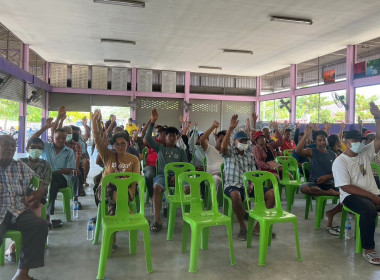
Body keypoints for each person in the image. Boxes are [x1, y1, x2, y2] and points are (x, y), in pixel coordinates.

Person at [332, 102, 380, 264]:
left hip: (373, 193)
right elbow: (346, 186)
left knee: (372, 204)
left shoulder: (364, 153)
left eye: (361, 140)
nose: (359, 142)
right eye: (355, 140)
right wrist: (372, 197)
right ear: (347, 141)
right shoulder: (340, 162)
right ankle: (368, 249)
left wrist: (377, 117)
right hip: (350, 196)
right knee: (368, 208)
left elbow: (379, 138)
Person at [0, 135, 48, 280]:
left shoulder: (19, 165)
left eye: (12, 146)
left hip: (18, 209)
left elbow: (37, 181)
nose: (10, 148)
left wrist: (39, 191)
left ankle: (22, 274)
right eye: (6, 145)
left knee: (39, 225)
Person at [221, 115, 275, 241]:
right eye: (241, 141)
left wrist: (251, 184)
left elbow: (253, 174)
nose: (244, 143)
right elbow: (223, 147)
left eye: (245, 141)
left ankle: (257, 227)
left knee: (272, 194)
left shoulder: (249, 156)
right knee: (235, 196)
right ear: (235, 142)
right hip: (233, 185)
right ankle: (243, 227)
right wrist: (230, 128)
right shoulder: (230, 153)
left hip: (248, 185)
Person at [92, 110, 140, 247]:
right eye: (116, 144)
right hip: (104, 190)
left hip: (126, 192)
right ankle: (127, 213)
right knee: (109, 186)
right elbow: (96, 139)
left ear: (128, 143)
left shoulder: (134, 159)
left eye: (122, 144)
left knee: (113, 204)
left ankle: (111, 242)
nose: (119, 147)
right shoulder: (108, 156)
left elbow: (135, 179)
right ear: (113, 146)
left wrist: (121, 184)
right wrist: (94, 122)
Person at [145, 109, 188, 232]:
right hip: (163, 176)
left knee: (188, 188)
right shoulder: (160, 148)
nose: (172, 138)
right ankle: (157, 220)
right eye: (170, 136)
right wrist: (152, 122)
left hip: (178, 177)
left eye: (175, 136)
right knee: (156, 188)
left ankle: (188, 215)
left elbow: (186, 166)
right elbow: (148, 137)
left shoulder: (181, 151)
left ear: (177, 137)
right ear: (165, 137)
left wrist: (177, 175)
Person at [30, 116, 76, 226]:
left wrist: (53, 173)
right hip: (47, 180)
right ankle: (47, 213)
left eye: (63, 138)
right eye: (58, 138)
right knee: (52, 184)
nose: (61, 140)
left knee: (52, 179)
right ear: (53, 137)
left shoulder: (69, 152)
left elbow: (70, 169)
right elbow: (33, 140)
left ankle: (46, 214)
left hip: (62, 178)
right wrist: (45, 127)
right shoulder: (46, 147)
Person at [296, 126, 342, 233]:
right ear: (315, 142)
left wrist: (328, 177)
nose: (322, 142)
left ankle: (332, 211)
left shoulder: (333, 154)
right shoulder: (312, 152)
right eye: (319, 140)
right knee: (303, 188)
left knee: (349, 195)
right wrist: (306, 136)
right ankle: (330, 193)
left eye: (323, 140)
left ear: (327, 140)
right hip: (315, 183)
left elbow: (338, 172)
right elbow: (298, 150)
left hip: (330, 183)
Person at [199, 121, 226, 200]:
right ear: (216, 139)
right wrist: (213, 127)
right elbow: (202, 140)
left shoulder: (228, 152)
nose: (222, 144)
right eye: (220, 141)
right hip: (213, 176)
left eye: (225, 141)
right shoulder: (209, 149)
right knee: (217, 180)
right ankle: (214, 207)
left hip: (226, 176)